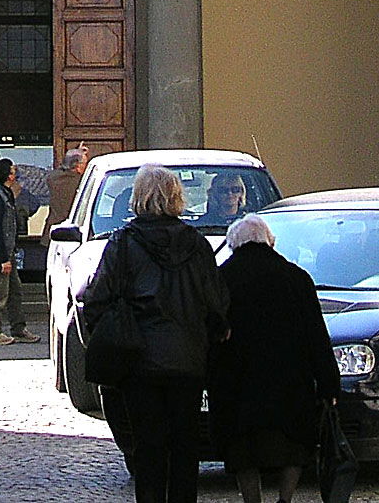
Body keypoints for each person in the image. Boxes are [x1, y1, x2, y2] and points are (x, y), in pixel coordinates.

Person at [80, 164, 230, 503]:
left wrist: (108, 335)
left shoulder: (123, 243)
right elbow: (216, 301)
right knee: (184, 449)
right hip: (188, 361)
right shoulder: (197, 244)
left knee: (147, 449)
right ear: (176, 197)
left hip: (139, 362)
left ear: (138, 198)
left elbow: (96, 299)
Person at [210, 215, 340, 503]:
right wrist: (329, 383)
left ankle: (252, 499)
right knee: (294, 443)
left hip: (238, 382)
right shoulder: (296, 278)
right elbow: (317, 336)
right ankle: (285, 498)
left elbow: (211, 331)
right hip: (290, 382)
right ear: (269, 241)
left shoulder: (222, 279)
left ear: (234, 244)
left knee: (242, 447)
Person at [0, 158, 39, 345]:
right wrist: (4, 258)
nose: (15, 175)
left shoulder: (4, 193)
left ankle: (18, 329)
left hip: (6, 249)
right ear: (8, 175)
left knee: (14, 291)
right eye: (13, 171)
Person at [44, 143, 90, 243]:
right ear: (78, 166)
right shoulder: (82, 182)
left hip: (52, 233)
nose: (86, 167)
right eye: (85, 164)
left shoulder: (53, 178)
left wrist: (75, 152)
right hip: (73, 235)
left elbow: (62, 168)